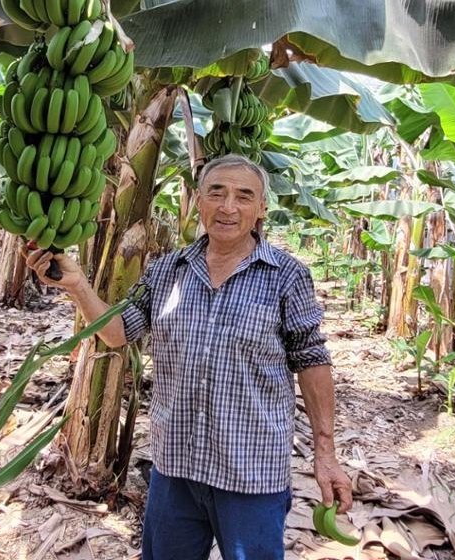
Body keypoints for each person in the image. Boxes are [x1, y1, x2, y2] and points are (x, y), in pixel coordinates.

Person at [26, 154, 353, 560]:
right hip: (174, 469)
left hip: (250, 473)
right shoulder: (166, 271)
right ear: (198, 201)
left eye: (243, 196)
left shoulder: (287, 276)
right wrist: (77, 285)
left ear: (261, 208)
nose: (228, 207)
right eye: (216, 193)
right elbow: (116, 333)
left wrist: (326, 454)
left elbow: (311, 359)